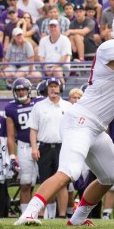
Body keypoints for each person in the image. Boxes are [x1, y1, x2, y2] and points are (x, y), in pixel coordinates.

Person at [15, 9, 114, 226]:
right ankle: (29, 213)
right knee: (70, 170)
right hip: (80, 120)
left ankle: (78, 218)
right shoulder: (111, 48)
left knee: (111, 177)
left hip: (97, 127)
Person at [28, 77, 72, 219]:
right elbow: (33, 130)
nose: (53, 89)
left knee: (62, 182)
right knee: (45, 182)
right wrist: (34, 147)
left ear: (60, 88)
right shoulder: (39, 106)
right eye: (51, 86)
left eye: (56, 86)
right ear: (47, 89)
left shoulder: (68, 106)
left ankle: (62, 215)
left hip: (62, 147)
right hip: (45, 147)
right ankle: (41, 214)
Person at [5, 78, 37, 213]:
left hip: (42, 145)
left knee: (47, 181)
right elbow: (11, 136)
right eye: (18, 90)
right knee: (25, 183)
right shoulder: (11, 108)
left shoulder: (39, 103)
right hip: (24, 147)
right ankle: (25, 214)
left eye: (23, 89)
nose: (20, 92)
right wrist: (12, 155)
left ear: (29, 90)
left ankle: (48, 215)